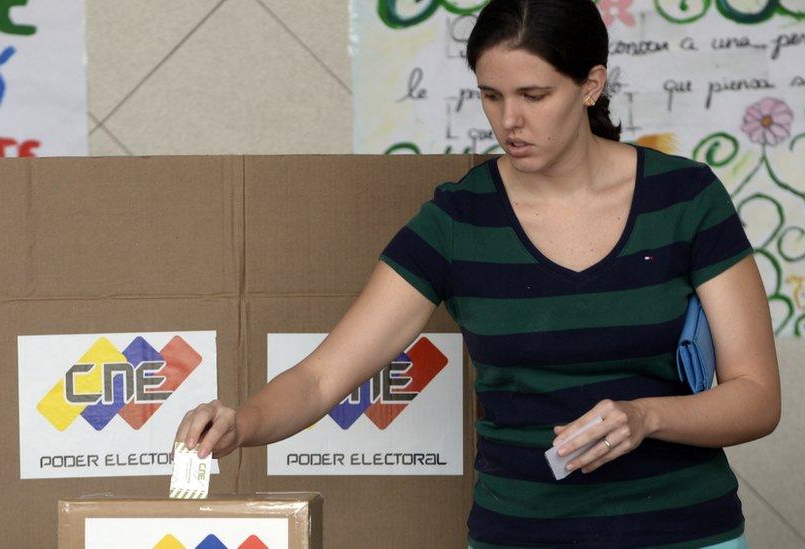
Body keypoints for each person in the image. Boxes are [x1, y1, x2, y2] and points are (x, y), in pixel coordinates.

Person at [174, 0, 781, 546]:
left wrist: (647, 416)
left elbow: (756, 397)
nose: (508, 120)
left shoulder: (686, 197)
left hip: (685, 531)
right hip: (520, 533)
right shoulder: (457, 219)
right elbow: (322, 376)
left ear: (591, 85)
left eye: (533, 96)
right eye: (491, 95)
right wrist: (242, 421)